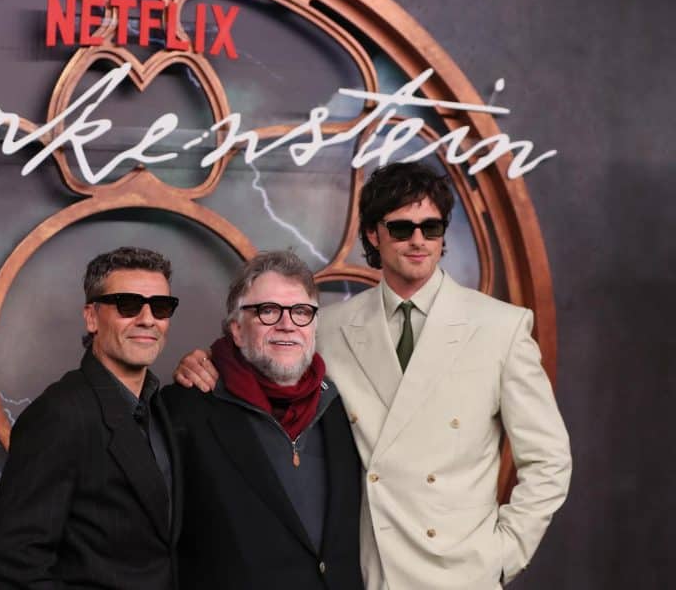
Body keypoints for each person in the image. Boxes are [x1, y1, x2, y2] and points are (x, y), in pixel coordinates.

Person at [175, 163, 572, 589]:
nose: (418, 241)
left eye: (431, 227)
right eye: (401, 228)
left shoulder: (500, 327)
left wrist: (503, 555)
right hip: (368, 573)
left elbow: (549, 459)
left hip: (461, 574)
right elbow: (265, 370)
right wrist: (207, 362)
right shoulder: (327, 326)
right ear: (372, 235)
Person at [0, 246, 182, 590]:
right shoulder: (59, 414)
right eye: (128, 305)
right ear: (92, 317)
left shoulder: (163, 408)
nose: (148, 319)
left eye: (161, 307)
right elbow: (14, 556)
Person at [164, 250, 364, 589]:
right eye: (268, 311)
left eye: (301, 312)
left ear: (314, 327)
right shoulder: (184, 410)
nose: (287, 324)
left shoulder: (343, 406)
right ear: (237, 330)